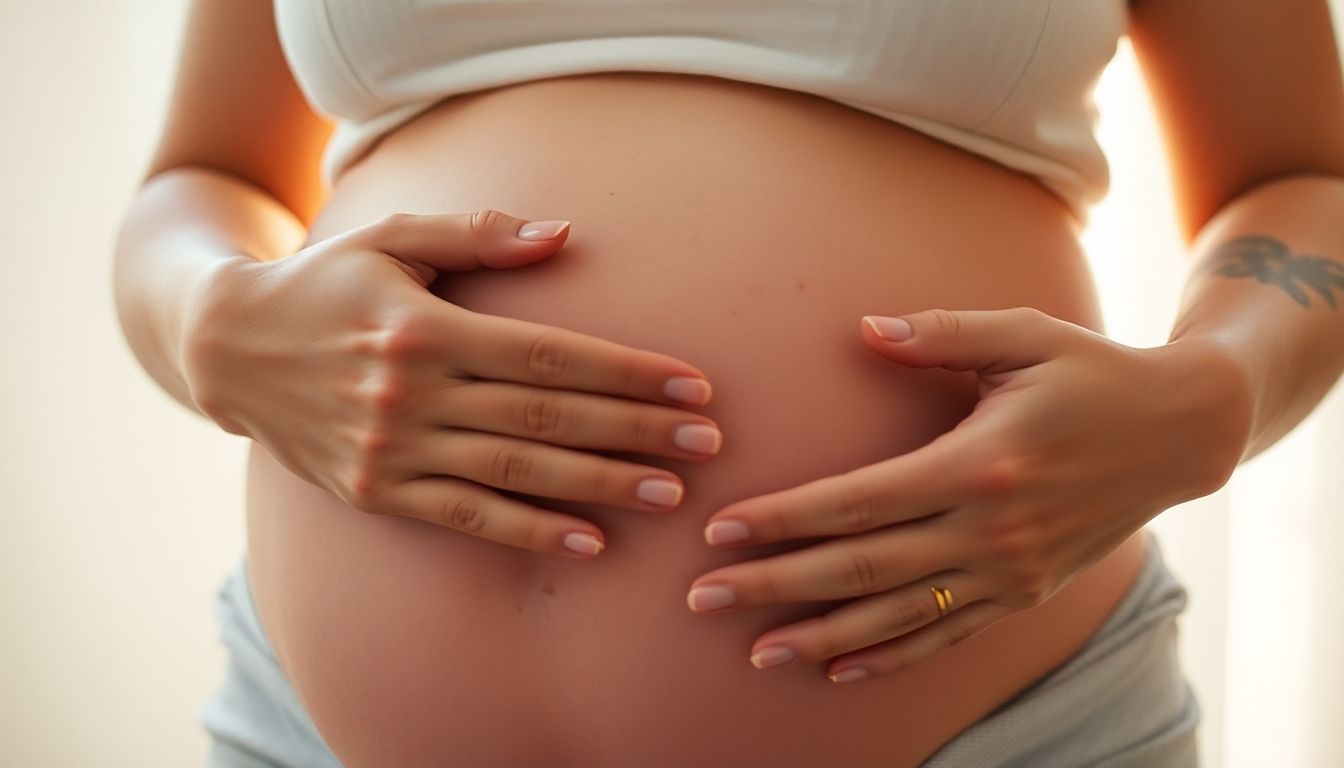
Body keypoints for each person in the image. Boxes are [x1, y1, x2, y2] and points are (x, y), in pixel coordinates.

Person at [112, 0, 1344, 766]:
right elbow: (203, 178)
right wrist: (213, 323)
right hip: (315, 723)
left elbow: (1299, 178)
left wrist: (1211, 399)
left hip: (1000, 719)